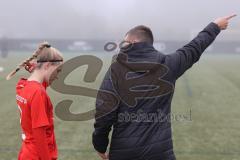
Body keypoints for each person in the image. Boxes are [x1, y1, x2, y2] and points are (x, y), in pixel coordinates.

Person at [92, 14, 236, 160]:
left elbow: (104, 112)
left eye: (124, 41)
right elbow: (194, 48)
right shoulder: (168, 64)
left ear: (133, 41)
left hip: (124, 152)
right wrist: (215, 26)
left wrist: (99, 144)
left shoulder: (116, 69)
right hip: (160, 152)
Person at [6, 42, 63, 160]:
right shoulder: (38, 93)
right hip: (38, 155)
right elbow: (39, 135)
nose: (57, 76)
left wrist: (35, 70)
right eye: (58, 71)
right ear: (47, 65)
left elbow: (39, 84)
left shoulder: (23, 86)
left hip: (27, 152)